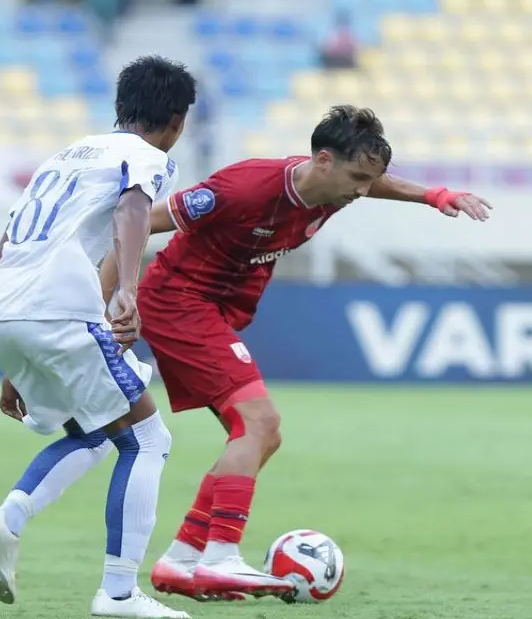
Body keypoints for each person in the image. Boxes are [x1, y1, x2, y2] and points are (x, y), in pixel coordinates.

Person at [95, 106, 493, 601]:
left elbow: (379, 182)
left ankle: (183, 558)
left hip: (213, 309)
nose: (364, 191)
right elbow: (135, 223)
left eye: (371, 179)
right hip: (177, 301)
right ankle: (221, 555)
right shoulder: (245, 188)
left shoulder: (336, 187)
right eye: (358, 178)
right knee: (259, 423)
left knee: (261, 435)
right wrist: (107, 297)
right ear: (323, 160)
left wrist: (435, 196)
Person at [0, 56, 196, 619]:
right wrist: (128, 290)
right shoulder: (146, 158)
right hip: (60, 313)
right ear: (176, 120)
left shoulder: (66, 157)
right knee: (146, 439)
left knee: (99, 434)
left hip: (3, 311)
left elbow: (4, 248)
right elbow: (133, 211)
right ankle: (118, 593)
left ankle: (9, 519)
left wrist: (13, 363)